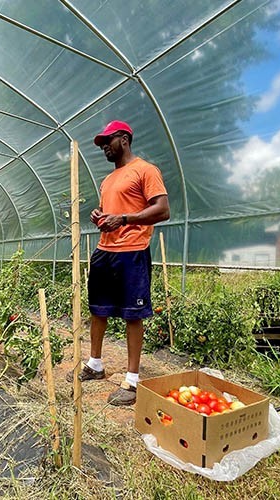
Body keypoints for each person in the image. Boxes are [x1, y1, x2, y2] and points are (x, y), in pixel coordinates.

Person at [70, 120, 170, 406]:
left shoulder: (145, 170)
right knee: (97, 309)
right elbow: (113, 212)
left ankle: (133, 380)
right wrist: (101, 215)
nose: (104, 148)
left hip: (132, 251)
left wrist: (124, 219)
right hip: (105, 250)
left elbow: (162, 210)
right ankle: (96, 364)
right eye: (101, 145)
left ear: (124, 139)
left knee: (132, 315)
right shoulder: (108, 180)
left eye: (108, 142)